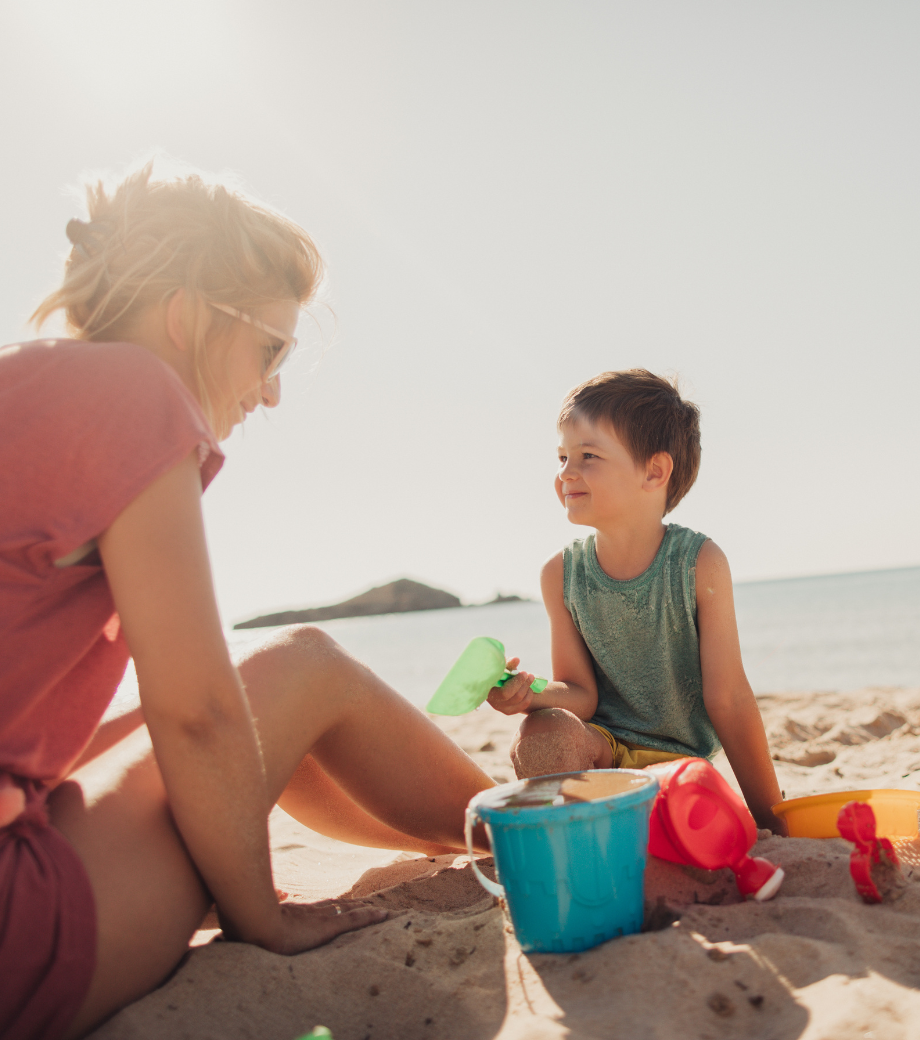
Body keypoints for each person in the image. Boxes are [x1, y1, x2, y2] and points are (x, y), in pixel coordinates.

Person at [0, 162, 495, 1040]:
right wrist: (258, 915)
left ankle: (476, 837)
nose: (270, 390)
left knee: (257, 697)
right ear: (186, 312)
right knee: (304, 667)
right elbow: (195, 714)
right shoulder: (133, 391)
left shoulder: (25, 381)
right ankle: (529, 840)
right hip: (16, 933)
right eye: (271, 350)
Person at [487, 369, 784, 833]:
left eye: (588, 455)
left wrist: (774, 821)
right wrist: (530, 693)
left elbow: (727, 699)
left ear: (654, 470)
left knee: (687, 802)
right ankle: (597, 831)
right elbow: (579, 696)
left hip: (681, 766)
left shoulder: (699, 563)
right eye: (562, 456)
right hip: (603, 748)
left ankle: (646, 818)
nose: (566, 472)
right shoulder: (560, 575)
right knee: (541, 733)